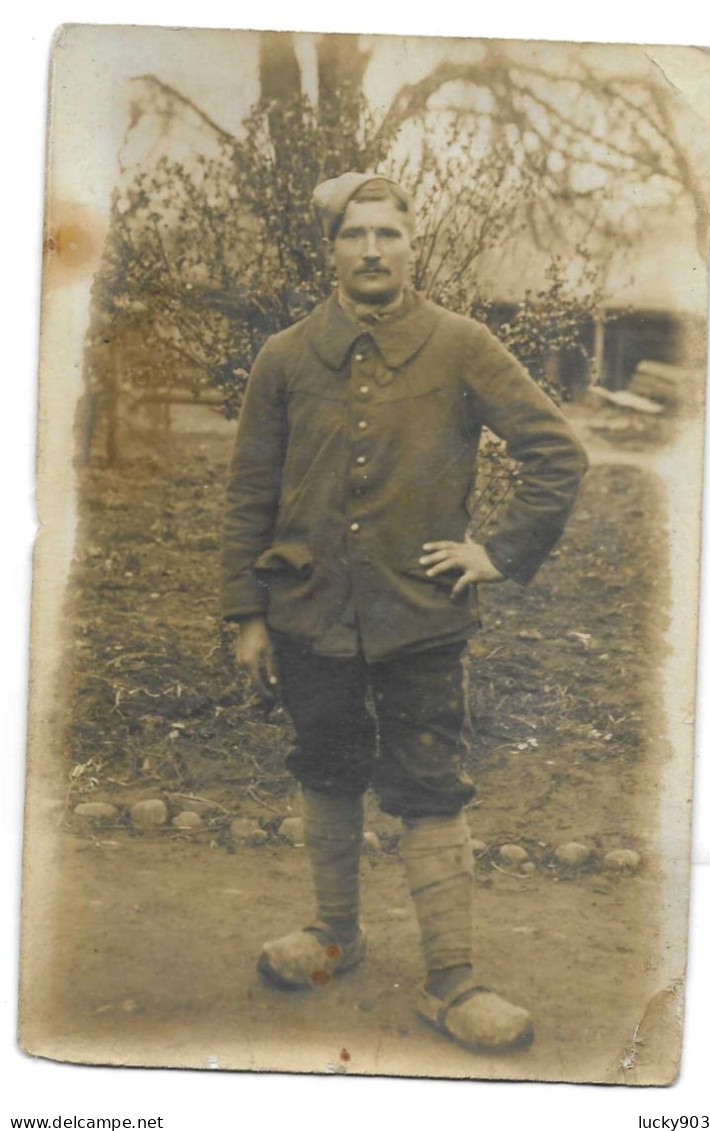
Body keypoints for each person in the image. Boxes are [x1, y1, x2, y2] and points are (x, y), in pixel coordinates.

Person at [220, 171, 588, 1052]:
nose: (373, 251)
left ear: (411, 243)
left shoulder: (460, 344)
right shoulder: (285, 355)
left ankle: (452, 982)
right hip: (309, 612)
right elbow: (247, 494)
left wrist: (496, 553)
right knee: (327, 766)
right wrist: (247, 614)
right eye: (356, 235)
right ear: (332, 249)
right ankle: (332, 935)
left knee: (427, 786)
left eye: (389, 233)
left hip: (421, 615)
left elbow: (555, 451)